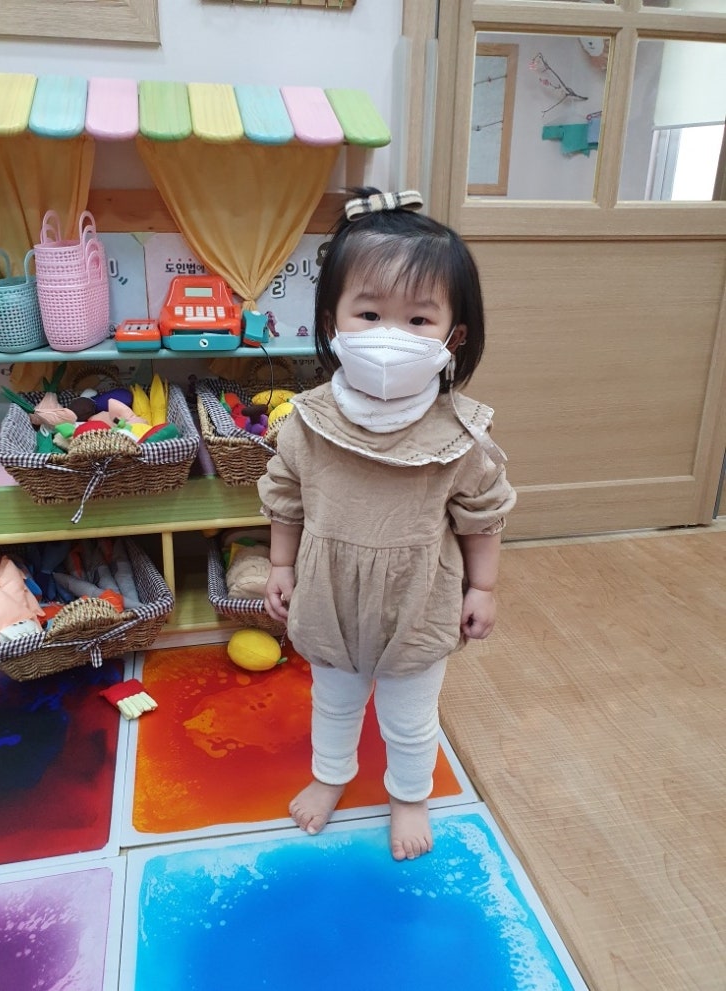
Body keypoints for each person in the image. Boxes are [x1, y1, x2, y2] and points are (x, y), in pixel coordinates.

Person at [258, 188, 516, 861]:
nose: (388, 337)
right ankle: (330, 775)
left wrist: (483, 588)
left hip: (418, 600)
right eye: (369, 314)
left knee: (408, 716)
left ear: (454, 335)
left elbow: (482, 514)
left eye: (418, 319)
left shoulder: (458, 432)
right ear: (333, 321)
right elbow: (285, 496)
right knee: (334, 701)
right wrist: (280, 565)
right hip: (329, 594)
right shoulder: (309, 419)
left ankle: (409, 793)